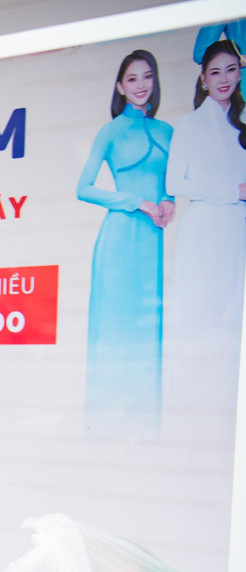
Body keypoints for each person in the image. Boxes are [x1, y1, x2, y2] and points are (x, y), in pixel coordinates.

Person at [76, 50, 175, 435]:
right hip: (119, 238)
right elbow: (83, 188)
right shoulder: (112, 130)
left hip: (153, 242)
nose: (141, 85)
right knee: (114, 331)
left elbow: (174, 182)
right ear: (120, 85)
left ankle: (145, 427)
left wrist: (168, 200)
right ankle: (102, 427)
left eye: (147, 76)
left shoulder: (168, 131)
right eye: (132, 79)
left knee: (148, 330)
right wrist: (135, 202)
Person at [164, 40, 246, 436]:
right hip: (204, 236)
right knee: (198, 325)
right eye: (215, 72)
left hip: (237, 234)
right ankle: (194, 423)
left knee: (233, 328)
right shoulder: (191, 124)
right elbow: (176, 182)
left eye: (232, 69)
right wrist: (232, 191)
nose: (224, 79)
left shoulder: (242, 122)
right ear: (203, 77)